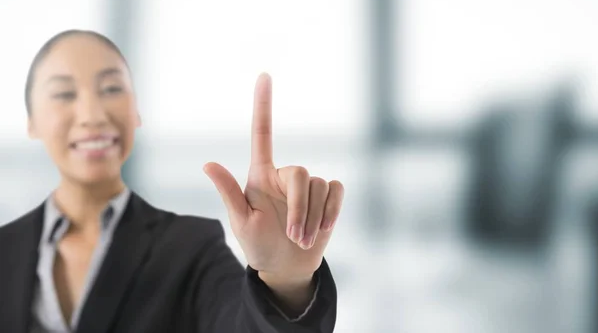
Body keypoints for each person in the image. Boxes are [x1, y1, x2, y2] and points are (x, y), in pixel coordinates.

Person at [0, 30, 344, 333]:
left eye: (111, 89)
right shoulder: (6, 247)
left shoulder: (191, 246)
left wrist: (285, 282)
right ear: (31, 122)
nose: (92, 114)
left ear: (135, 112)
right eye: (63, 93)